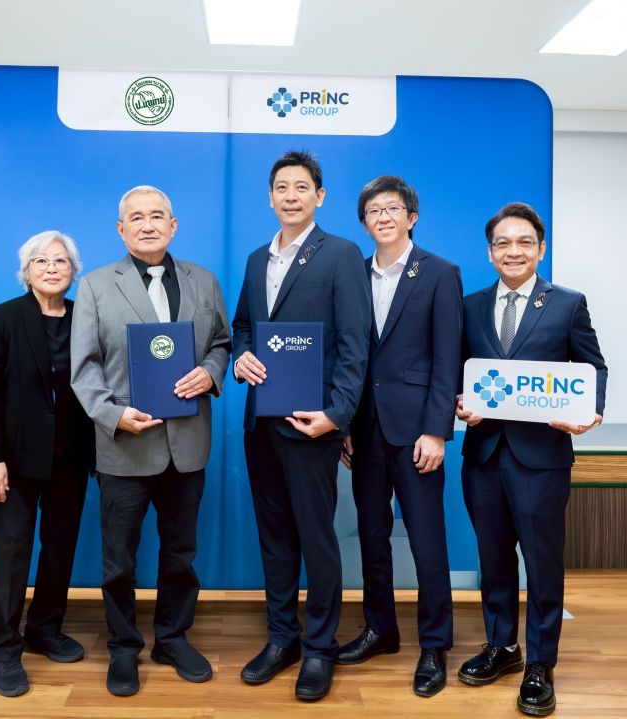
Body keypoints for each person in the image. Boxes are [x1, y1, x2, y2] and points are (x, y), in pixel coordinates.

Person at [70, 185, 231, 697]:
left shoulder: (203, 280)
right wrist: (114, 415)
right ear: (121, 229)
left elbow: (222, 342)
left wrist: (211, 372)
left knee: (181, 553)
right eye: (136, 217)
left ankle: (172, 638)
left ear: (173, 225)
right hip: (125, 445)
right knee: (119, 559)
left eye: (157, 216)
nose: (147, 224)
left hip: (187, 444)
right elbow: (84, 368)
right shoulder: (96, 285)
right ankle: (123, 646)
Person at [455, 202, 606, 717]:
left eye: (524, 242)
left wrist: (590, 412)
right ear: (490, 252)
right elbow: (455, 372)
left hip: (542, 458)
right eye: (503, 243)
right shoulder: (469, 306)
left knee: (542, 564)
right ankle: (503, 646)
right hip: (483, 456)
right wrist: (458, 405)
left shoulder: (567, 304)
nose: (513, 251)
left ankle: (541, 662)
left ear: (540, 249)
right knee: (494, 559)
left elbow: (592, 367)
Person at [232, 150, 370, 701]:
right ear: (270, 197)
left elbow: (355, 344)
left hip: (313, 425)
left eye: (301, 187)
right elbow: (244, 326)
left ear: (320, 196)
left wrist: (337, 415)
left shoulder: (341, 254)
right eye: (282, 188)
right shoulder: (255, 260)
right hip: (261, 423)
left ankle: (318, 647)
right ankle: (281, 638)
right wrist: (241, 357)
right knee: (275, 539)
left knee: (317, 540)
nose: (291, 196)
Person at [336, 176, 462, 697]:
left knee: (428, 542)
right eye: (373, 211)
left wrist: (437, 431)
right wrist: (344, 423)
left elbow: (448, 358)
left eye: (392, 208)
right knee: (372, 535)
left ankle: (434, 645)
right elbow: (347, 354)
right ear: (364, 223)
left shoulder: (439, 273)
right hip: (364, 429)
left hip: (417, 434)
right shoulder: (353, 273)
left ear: (412, 217)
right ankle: (380, 629)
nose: (382, 217)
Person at [0, 230, 96, 697]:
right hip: (14, 460)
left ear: (73, 270)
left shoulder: (86, 316)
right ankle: (5, 650)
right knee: (9, 555)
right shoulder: (3, 317)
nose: (51, 268)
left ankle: (45, 629)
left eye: (60, 261)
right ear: (26, 271)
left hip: (71, 457)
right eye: (41, 261)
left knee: (60, 548)